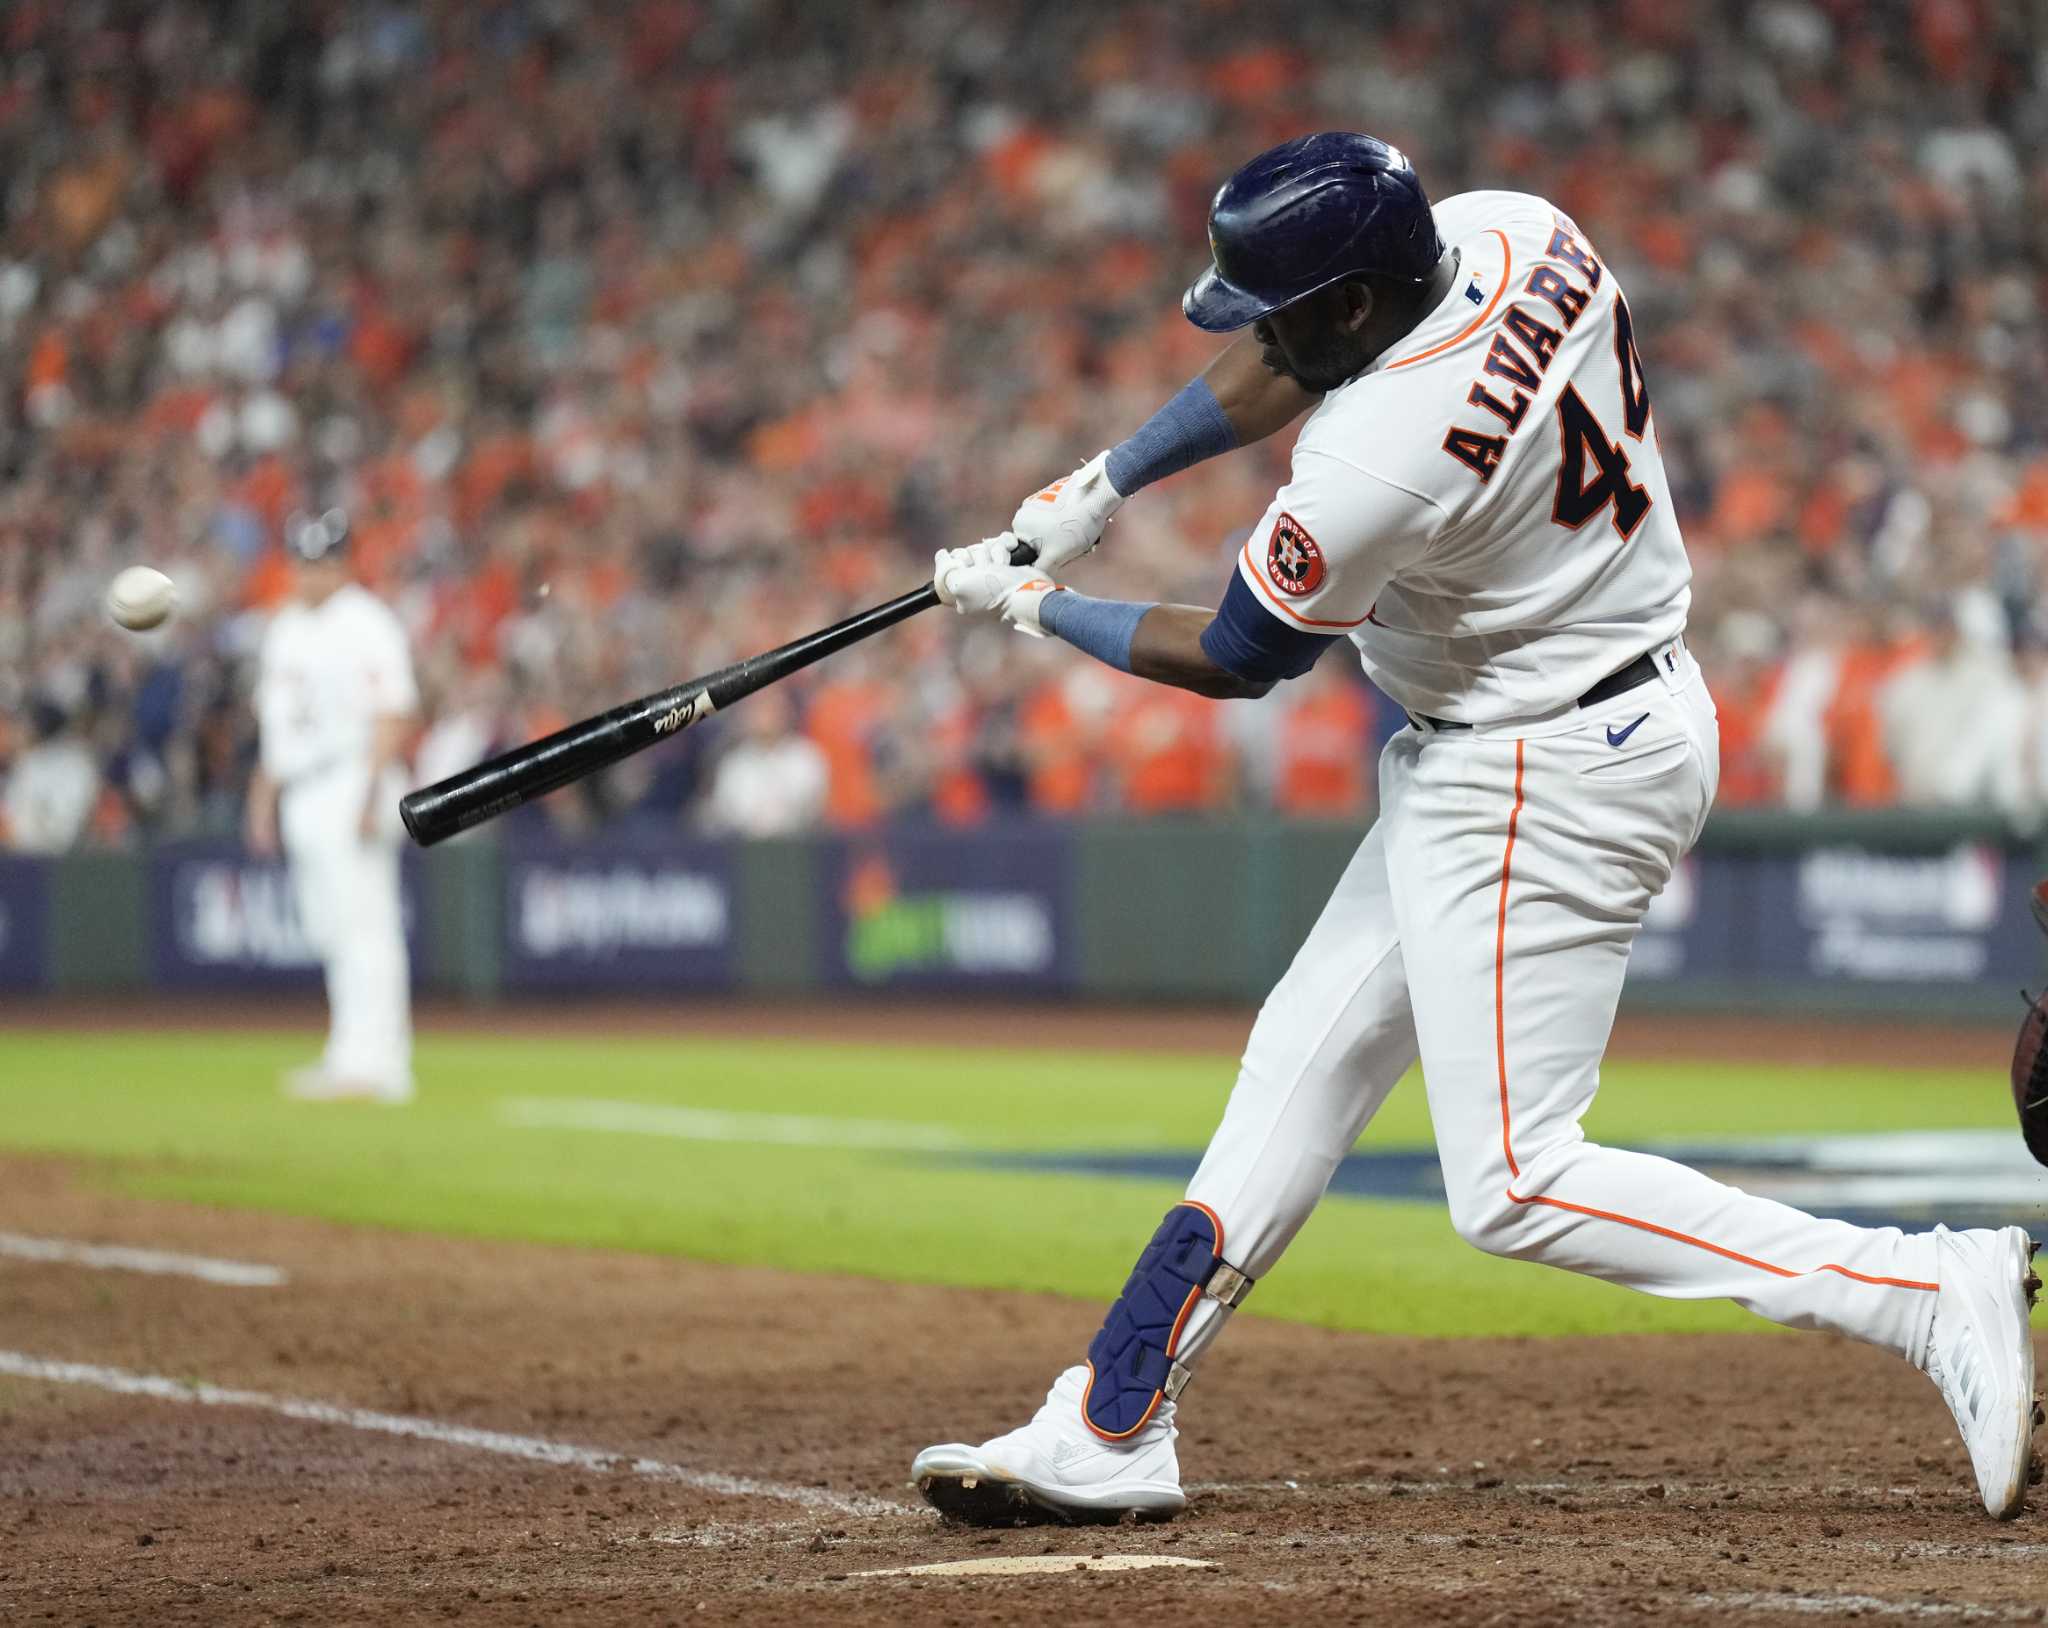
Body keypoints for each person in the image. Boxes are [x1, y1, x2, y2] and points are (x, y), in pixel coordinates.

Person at [911, 133, 2040, 1524]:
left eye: (1283, 305)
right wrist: (1106, 485)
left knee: (1512, 1181)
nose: (1256, 332)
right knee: (1299, 1070)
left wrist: (1035, 609)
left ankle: (1924, 1290)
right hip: (1560, 718)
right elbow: (1293, 349)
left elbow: (1235, 653)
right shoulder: (1511, 228)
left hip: (1544, 766)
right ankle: (1112, 1419)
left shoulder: (1374, 460)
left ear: (1349, 307)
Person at [246, 508, 419, 1103]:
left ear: (344, 563)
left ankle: (384, 1063)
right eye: (301, 559)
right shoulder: (286, 627)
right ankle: (349, 1052)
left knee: (366, 926)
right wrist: (263, 798)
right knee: (329, 930)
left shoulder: (367, 622)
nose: (308, 571)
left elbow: (393, 714)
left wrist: (372, 795)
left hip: (353, 779)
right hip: (301, 787)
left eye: (320, 561)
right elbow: (276, 726)